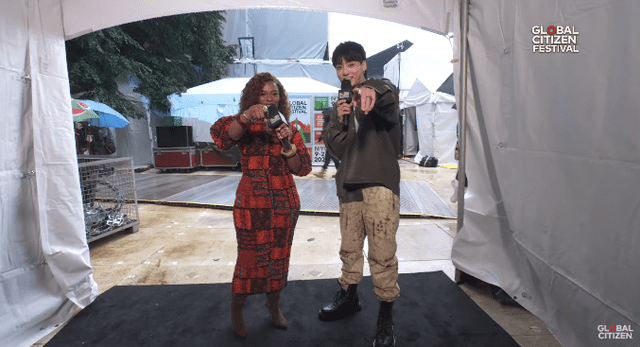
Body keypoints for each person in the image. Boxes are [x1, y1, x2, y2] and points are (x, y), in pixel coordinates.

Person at [210, 72, 312, 339]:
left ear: (281, 98)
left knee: (278, 259)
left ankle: (273, 306)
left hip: (284, 203)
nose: (269, 99)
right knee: (249, 260)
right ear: (253, 97)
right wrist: (246, 116)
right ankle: (237, 311)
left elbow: (301, 169)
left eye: (274, 93)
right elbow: (223, 137)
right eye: (263, 94)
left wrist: (287, 142)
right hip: (251, 204)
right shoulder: (241, 125)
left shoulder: (288, 128)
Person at [318, 41, 401, 347]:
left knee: (382, 254)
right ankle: (349, 298)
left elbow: (389, 93)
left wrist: (371, 91)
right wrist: (339, 118)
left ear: (364, 65)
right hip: (349, 187)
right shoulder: (336, 109)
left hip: (380, 184)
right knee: (349, 249)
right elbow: (338, 149)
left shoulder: (378, 95)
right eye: (340, 67)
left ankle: (386, 314)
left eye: (351, 64)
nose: (345, 71)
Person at [314, 109, 340, 178]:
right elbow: (324, 131)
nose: (323, 115)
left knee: (330, 157)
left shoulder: (331, 121)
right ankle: (340, 172)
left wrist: (320, 138)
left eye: (324, 113)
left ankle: (322, 172)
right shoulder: (328, 121)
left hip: (332, 143)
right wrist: (319, 139)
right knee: (332, 158)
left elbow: (326, 131)